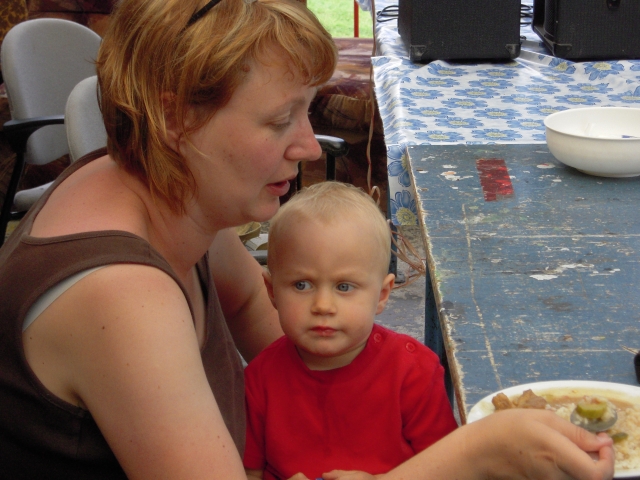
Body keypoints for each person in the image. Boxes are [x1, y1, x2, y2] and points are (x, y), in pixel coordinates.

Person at [0, 0, 616, 478]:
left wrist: (355, 393)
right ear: (174, 119)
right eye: (278, 120)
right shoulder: (120, 296)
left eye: (305, 112)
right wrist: (475, 455)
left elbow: (251, 302)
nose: (306, 146)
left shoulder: (166, 191)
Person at [243, 181, 458, 480]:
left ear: (382, 295)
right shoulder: (259, 378)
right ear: (272, 291)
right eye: (301, 285)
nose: (323, 305)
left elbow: (451, 468)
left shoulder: (413, 373)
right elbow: (248, 471)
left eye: (344, 287)